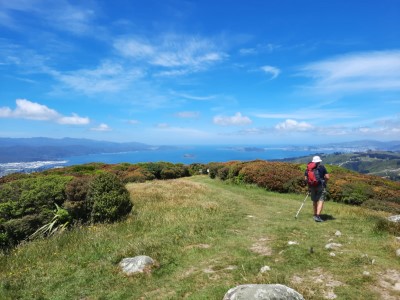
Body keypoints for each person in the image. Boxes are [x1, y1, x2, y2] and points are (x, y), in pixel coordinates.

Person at [304, 155, 329, 222]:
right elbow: (327, 177)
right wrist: (325, 183)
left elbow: (306, 178)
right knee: (321, 200)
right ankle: (317, 216)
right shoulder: (322, 167)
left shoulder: (308, 168)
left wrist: (309, 186)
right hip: (321, 186)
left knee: (314, 200)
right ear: (319, 162)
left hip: (312, 186)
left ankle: (315, 214)